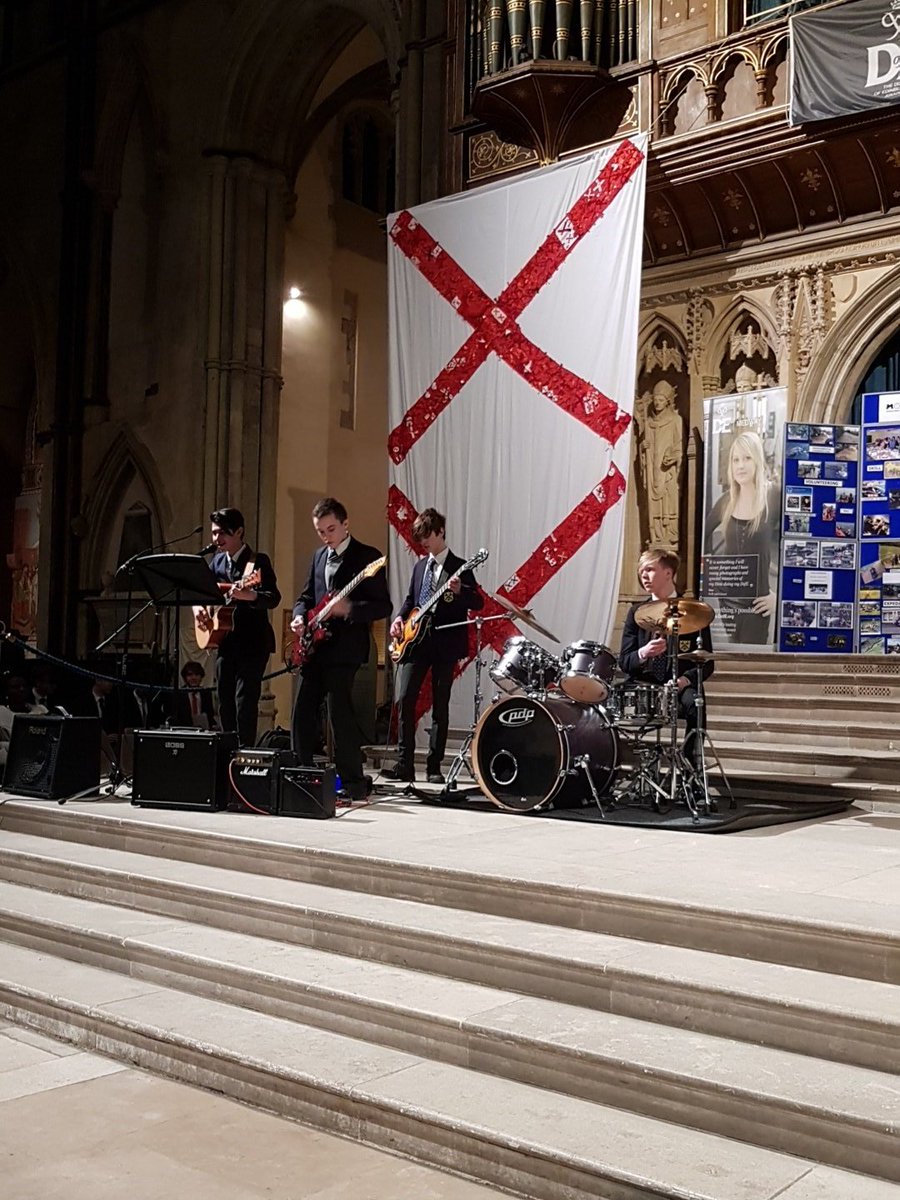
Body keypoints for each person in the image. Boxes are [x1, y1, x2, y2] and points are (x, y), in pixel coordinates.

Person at [290, 498, 391, 801]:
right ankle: (300, 770)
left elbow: (383, 606)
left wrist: (348, 608)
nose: (326, 537)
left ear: (346, 524)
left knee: (339, 712)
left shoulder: (367, 557)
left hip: (346, 648)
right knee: (302, 709)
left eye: (331, 529)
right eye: (320, 531)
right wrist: (298, 615)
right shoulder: (319, 556)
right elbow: (306, 596)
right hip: (316, 645)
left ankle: (352, 781)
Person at [385, 508, 484, 784]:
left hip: (445, 644)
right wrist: (398, 620)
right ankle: (404, 763)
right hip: (414, 642)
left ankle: (433, 766)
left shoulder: (461, 566)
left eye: (427, 536)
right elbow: (410, 600)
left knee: (441, 705)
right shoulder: (420, 566)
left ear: (441, 532)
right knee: (404, 700)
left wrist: (458, 591)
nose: (424, 543)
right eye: (420, 538)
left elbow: (478, 603)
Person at [619, 547, 713, 767]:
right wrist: (644, 653)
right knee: (604, 703)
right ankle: (611, 767)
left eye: (650, 569)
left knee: (695, 703)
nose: (643, 575)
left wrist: (684, 681)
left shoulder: (694, 612)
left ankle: (692, 765)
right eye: (641, 570)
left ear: (668, 573)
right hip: (644, 683)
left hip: (677, 684)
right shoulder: (636, 612)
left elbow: (706, 662)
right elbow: (624, 662)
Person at [200, 507, 280, 746]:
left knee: (245, 700)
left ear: (239, 532)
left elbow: (273, 597)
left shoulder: (258, 562)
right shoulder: (216, 563)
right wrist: (203, 612)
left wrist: (251, 596)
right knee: (223, 698)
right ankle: (227, 748)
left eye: (223, 533)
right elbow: (207, 596)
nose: (217, 539)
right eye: (214, 533)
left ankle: (244, 752)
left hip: (253, 642)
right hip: (226, 641)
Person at [703, 429, 780, 644]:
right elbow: (704, 535)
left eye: (747, 458)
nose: (741, 465)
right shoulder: (726, 501)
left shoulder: (773, 496)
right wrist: (714, 572)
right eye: (735, 460)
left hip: (759, 602)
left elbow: (796, 547)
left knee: (752, 660)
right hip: (727, 602)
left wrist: (780, 596)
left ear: (757, 460)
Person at [638, 379, 683, 546]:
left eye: (661, 400)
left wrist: (674, 457)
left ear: (668, 401)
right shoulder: (649, 424)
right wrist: (643, 447)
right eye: (656, 400)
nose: (658, 403)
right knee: (653, 503)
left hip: (668, 472)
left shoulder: (675, 420)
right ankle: (655, 535)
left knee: (670, 500)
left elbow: (680, 446)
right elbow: (643, 448)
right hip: (652, 471)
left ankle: (670, 534)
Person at [0, 673, 47, 780]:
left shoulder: (41, 711)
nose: (21, 689)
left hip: (39, 765)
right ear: (7, 691)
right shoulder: (1, 713)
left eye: (24, 686)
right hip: (8, 769)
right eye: (15, 687)